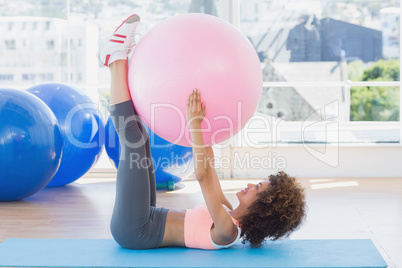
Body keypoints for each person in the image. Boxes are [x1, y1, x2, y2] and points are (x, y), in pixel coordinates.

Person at [97, 14, 307, 250]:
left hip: (136, 230)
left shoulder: (228, 231)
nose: (251, 185)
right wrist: (207, 130)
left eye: (257, 189)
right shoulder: (228, 211)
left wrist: (194, 123)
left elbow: (203, 176)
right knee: (141, 139)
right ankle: (115, 58)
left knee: (133, 140)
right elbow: (211, 167)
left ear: (263, 208)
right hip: (149, 215)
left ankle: (115, 58)